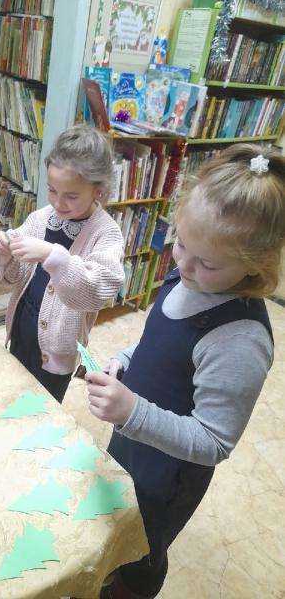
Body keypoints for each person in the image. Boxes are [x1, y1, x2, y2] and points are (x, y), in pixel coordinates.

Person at [85, 143, 285, 599]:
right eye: (180, 242)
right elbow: (159, 340)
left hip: (169, 472)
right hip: (134, 440)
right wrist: (127, 360)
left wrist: (133, 412)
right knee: (117, 514)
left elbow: (215, 441)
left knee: (143, 546)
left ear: (257, 264)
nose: (183, 264)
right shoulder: (186, 273)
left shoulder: (240, 341)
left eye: (208, 263)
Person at [0, 125, 124, 403]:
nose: (58, 202)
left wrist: (52, 255)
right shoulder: (41, 218)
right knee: (14, 392)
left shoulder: (106, 233)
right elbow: (8, 276)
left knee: (43, 406)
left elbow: (97, 290)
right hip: (22, 329)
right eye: (52, 190)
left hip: (58, 350)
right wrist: (1, 254)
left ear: (98, 191)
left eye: (71, 196)